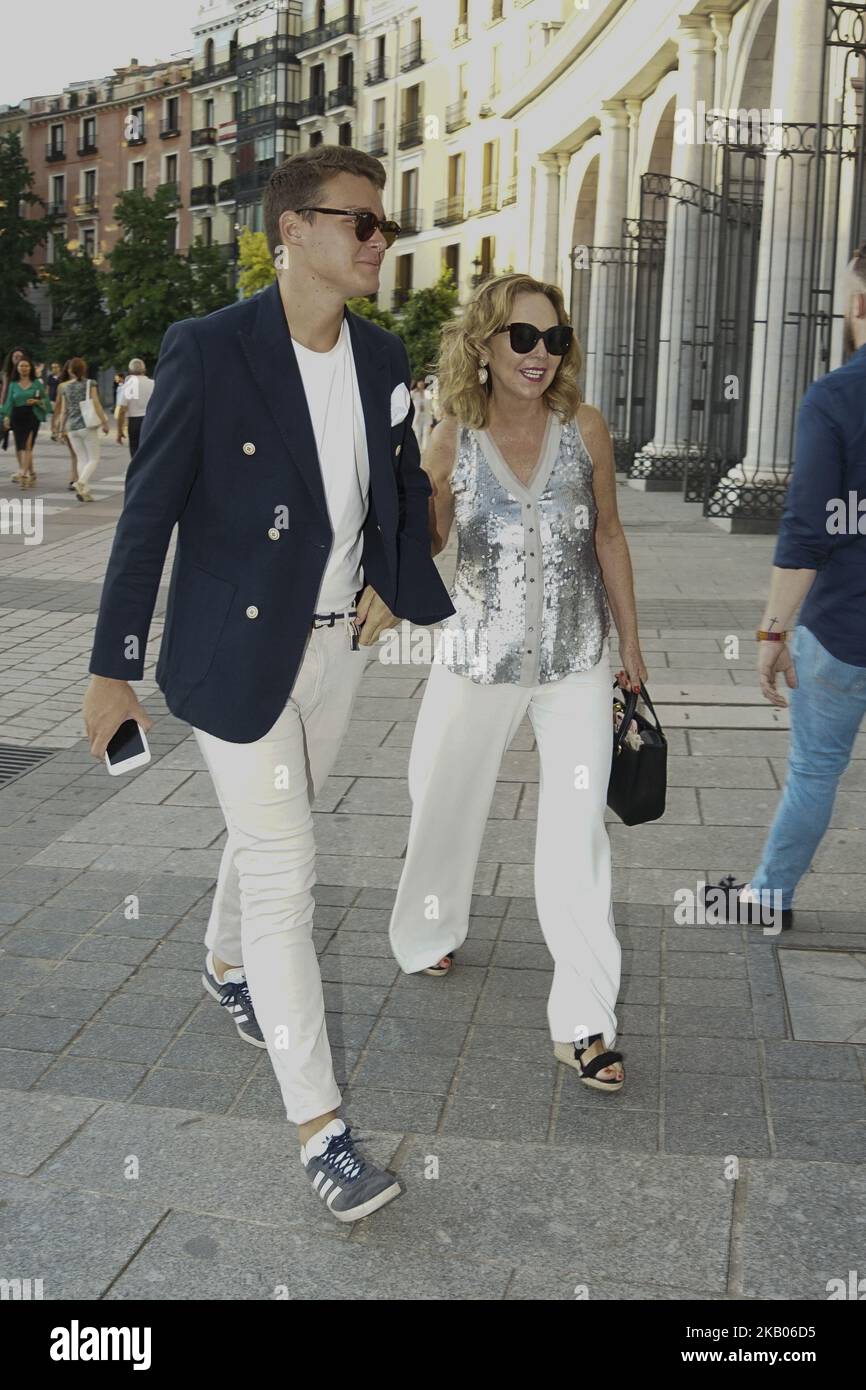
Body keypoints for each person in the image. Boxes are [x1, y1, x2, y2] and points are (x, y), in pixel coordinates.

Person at [82, 144, 455, 1222]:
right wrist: (111, 668)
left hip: (336, 646)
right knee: (289, 867)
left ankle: (217, 959)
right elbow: (146, 517)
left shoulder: (384, 357)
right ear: (291, 230)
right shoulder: (209, 350)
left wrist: (397, 575)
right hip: (233, 655)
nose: (381, 241)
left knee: (265, 837)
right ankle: (320, 1132)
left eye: (386, 226)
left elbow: (386, 492)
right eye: (361, 223)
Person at [388, 272, 649, 1092]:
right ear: (486, 345)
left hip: (575, 660)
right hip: (474, 659)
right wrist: (420, 485)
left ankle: (586, 1022)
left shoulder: (586, 430)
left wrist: (630, 653)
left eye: (554, 340)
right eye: (523, 338)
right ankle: (430, 928)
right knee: (440, 799)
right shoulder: (452, 435)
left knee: (577, 837)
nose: (540, 355)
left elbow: (608, 537)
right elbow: (428, 543)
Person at [740, 246, 866, 931]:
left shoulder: (835, 397)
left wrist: (772, 633)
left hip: (841, 629)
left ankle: (769, 896)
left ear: (859, 305)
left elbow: (806, 529)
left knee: (816, 770)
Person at [55, 358, 109, 501]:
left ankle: (84, 492)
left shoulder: (65, 387)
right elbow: (96, 403)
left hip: (71, 428)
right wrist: (104, 421)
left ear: (70, 370)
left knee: (81, 458)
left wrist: (60, 430)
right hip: (87, 426)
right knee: (94, 458)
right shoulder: (90, 384)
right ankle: (81, 482)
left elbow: (64, 411)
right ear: (84, 370)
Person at [1, 355, 50, 488]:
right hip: (17, 416)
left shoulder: (37, 383)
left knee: (28, 445)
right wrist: (6, 416)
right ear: (17, 368)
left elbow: (45, 400)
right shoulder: (12, 384)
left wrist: (37, 401)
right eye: (21, 366)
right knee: (20, 445)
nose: (24, 368)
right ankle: (31, 472)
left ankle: (23, 473)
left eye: (26, 366)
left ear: (31, 368)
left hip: (32, 415)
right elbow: (9, 402)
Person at [116, 358, 154, 458]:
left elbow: (122, 410)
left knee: (135, 453)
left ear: (130, 371)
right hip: (151, 420)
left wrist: (119, 431)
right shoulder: (153, 384)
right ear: (144, 370)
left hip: (134, 422)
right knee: (150, 452)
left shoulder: (129, 386)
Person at [52, 361, 80, 489]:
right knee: (76, 453)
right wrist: (55, 425)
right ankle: (76, 479)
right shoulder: (63, 386)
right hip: (71, 422)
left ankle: (75, 478)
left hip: (75, 422)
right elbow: (58, 406)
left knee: (76, 453)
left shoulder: (84, 384)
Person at [1, 347, 29, 454]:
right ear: (11, 358)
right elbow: (4, 391)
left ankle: (27, 468)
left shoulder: (26, 372)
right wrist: (2, 406)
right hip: (8, 406)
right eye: (15, 356)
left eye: (20, 357)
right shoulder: (6, 373)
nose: (17, 359)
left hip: (22, 408)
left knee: (23, 439)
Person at [410, 375, 432, 454]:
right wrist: (413, 390)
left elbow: (431, 404)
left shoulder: (428, 393)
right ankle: (418, 450)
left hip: (426, 415)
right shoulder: (414, 393)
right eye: (419, 383)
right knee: (417, 433)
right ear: (417, 384)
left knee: (426, 432)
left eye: (422, 383)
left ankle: (425, 449)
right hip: (417, 416)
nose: (421, 384)